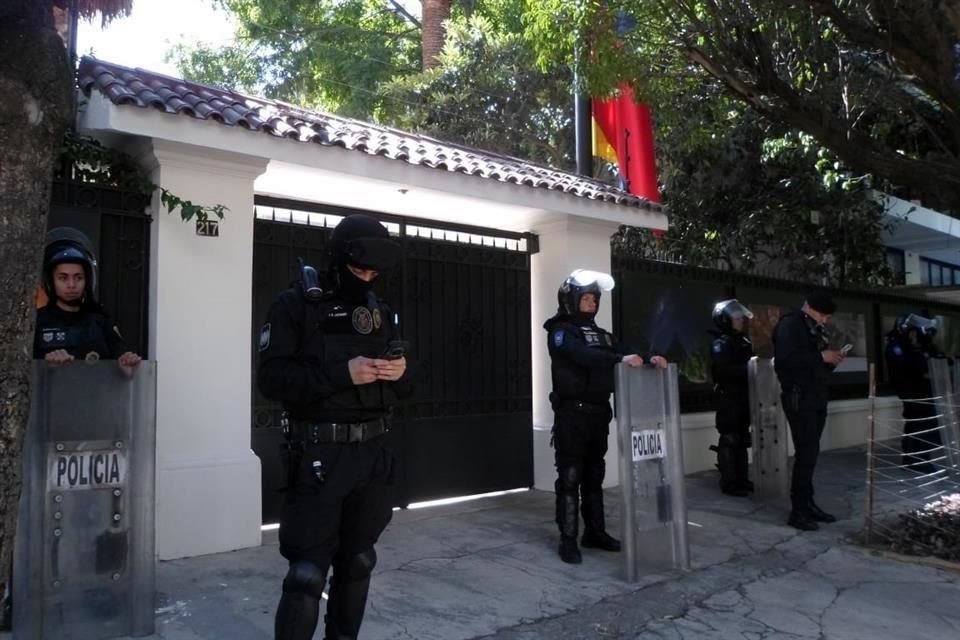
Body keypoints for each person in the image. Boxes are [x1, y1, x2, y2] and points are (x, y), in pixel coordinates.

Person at [257, 214, 412, 640]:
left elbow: (407, 387)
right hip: (319, 457)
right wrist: (342, 373)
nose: (366, 279)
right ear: (338, 259)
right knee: (307, 575)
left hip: (372, 456)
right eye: (358, 270)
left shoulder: (381, 312)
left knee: (359, 561)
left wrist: (400, 373)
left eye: (373, 273)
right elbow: (272, 380)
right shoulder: (296, 306)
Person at [543, 269, 667, 564]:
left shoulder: (602, 335)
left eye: (594, 299)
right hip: (572, 414)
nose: (591, 303)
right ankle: (568, 539)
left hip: (599, 414)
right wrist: (617, 359)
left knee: (594, 476)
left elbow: (626, 351)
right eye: (585, 298)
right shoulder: (560, 332)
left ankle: (595, 532)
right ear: (571, 300)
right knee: (570, 477)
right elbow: (582, 355)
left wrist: (650, 358)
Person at [772, 291, 845, 531]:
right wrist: (820, 356)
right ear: (810, 308)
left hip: (815, 395)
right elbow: (786, 361)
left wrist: (830, 361)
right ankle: (799, 510)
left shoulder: (811, 327)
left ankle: (808, 504)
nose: (824, 320)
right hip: (799, 397)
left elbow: (813, 365)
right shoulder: (791, 325)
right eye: (822, 315)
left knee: (811, 453)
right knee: (806, 453)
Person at [33, 228, 141, 375]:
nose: (71, 285)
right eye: (63, 278)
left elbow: (122, 362)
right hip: (51, 397)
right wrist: (45, 365)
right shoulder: (37, 322)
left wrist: (126, 365)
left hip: (95, 396)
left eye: (78, 277)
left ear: (87, 281)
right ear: (50, 282)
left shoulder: (100, 321)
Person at [885, 313, 944, 473]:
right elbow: (909, 366)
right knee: (919, 424)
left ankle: (917, 458)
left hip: (922, 391)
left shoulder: (914, 346)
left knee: (924, 424)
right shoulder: (896, 346)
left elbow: (932, 357)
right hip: (911, 391)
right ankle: (917, 460)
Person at [709, 299, 755, 497]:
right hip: (729, 397)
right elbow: (723, 371)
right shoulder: (721, 344)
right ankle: (729, 482)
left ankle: (742, 479)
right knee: (729, 438)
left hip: (745, 396)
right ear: (725, 319)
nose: (740, 320)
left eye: (740, 317)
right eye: (735, 317)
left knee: (743, 438)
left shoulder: (744, 341)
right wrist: (750, 368)